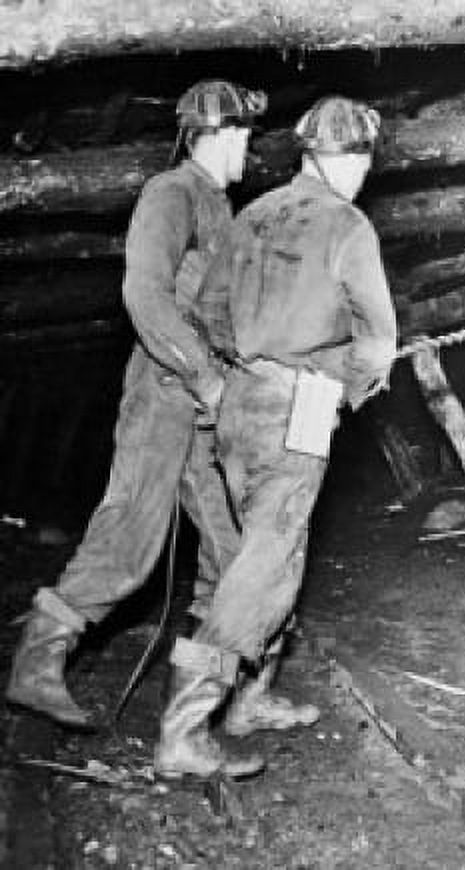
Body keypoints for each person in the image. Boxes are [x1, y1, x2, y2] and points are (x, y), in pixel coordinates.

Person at [5, 81, 311, 749]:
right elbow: (144, 293)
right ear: (213, 135)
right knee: (130, 545)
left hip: (204, 408)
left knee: (238, 560)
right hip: (163, 393)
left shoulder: (221, 213)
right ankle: (37, 662)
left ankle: (226, 704)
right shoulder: (170, 195)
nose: (248, 150)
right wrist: (203, 376)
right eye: (242, 137)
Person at [153, 95, 397, 779]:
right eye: (361, 160)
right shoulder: (349, 225)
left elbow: (206, 312)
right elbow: (378, 343)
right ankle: (183, 730)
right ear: (356, 158)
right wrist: (340, 384)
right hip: (300, 405)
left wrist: (253, 366)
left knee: (270, 554)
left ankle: (249, 702)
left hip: (238, 403)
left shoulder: (254, 213)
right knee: (265, 564)